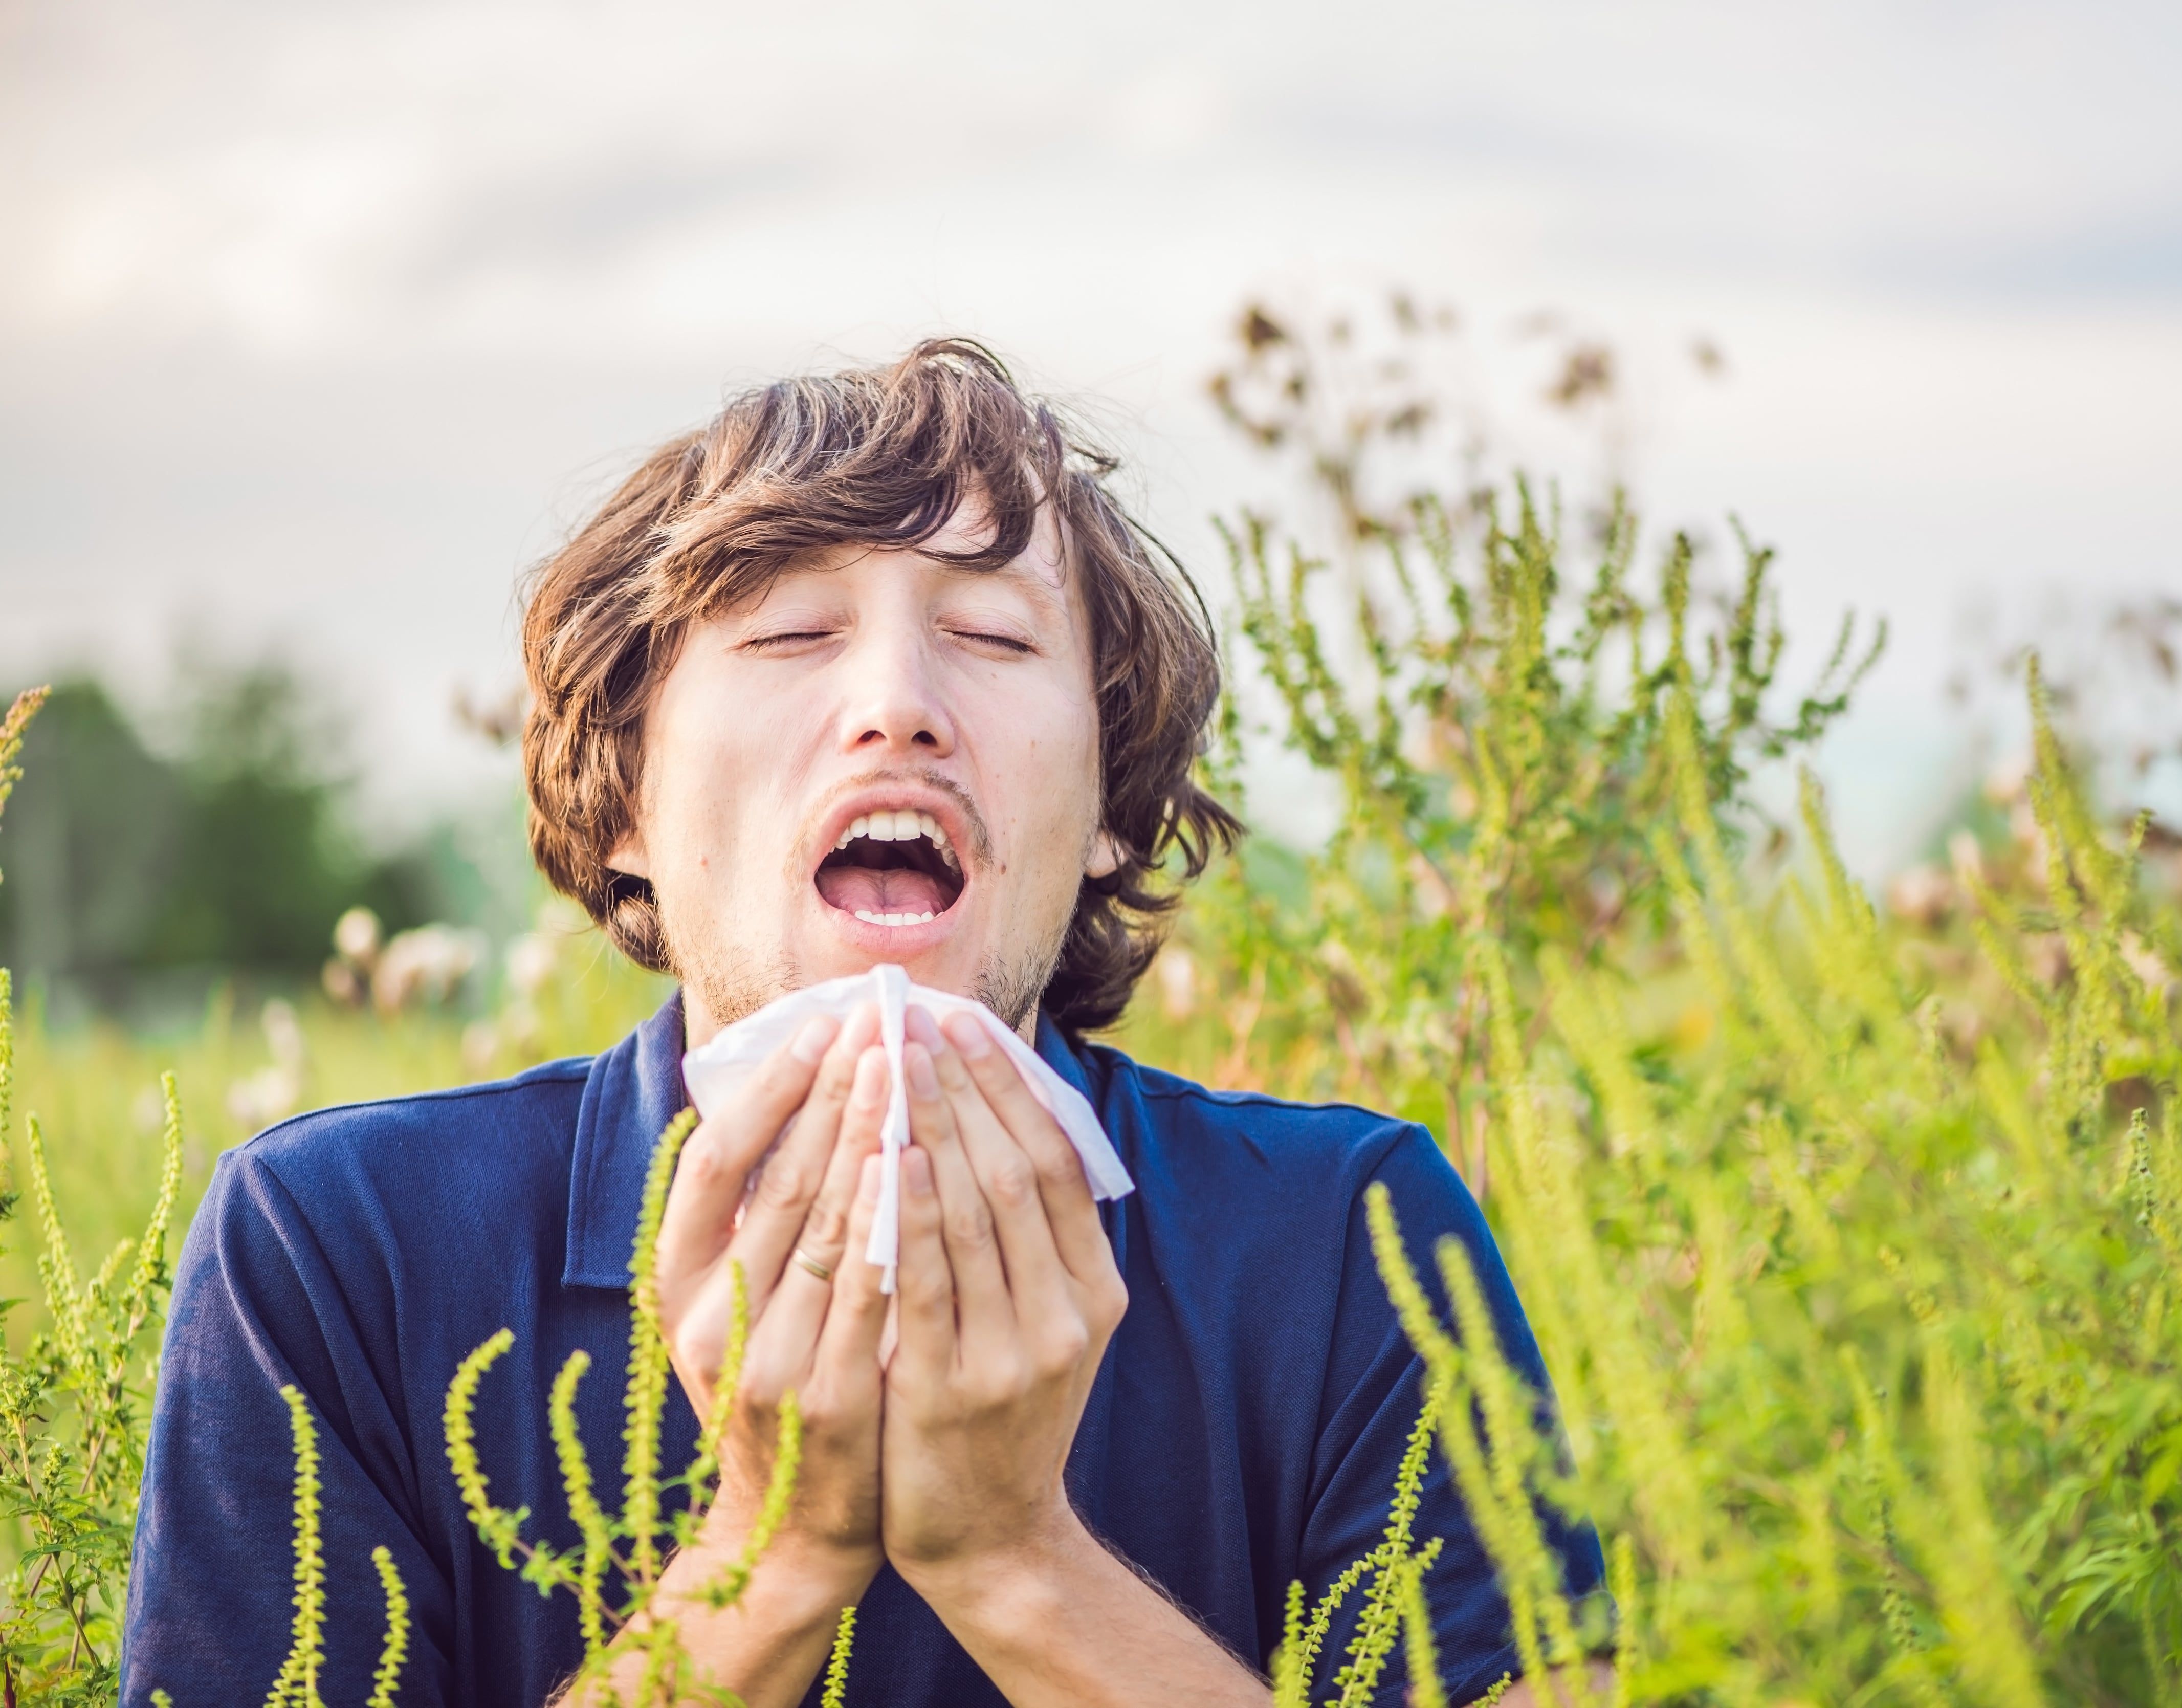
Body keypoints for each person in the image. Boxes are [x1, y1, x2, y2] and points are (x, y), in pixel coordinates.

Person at [122, 341, 1603, 1707]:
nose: (898, 702)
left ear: (1106, 807)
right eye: (788, 634)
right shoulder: (336, 1249)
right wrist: (773, 1559)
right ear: (627, 799)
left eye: (996, 638)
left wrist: (1020, 1560)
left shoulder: (1355, 1244)